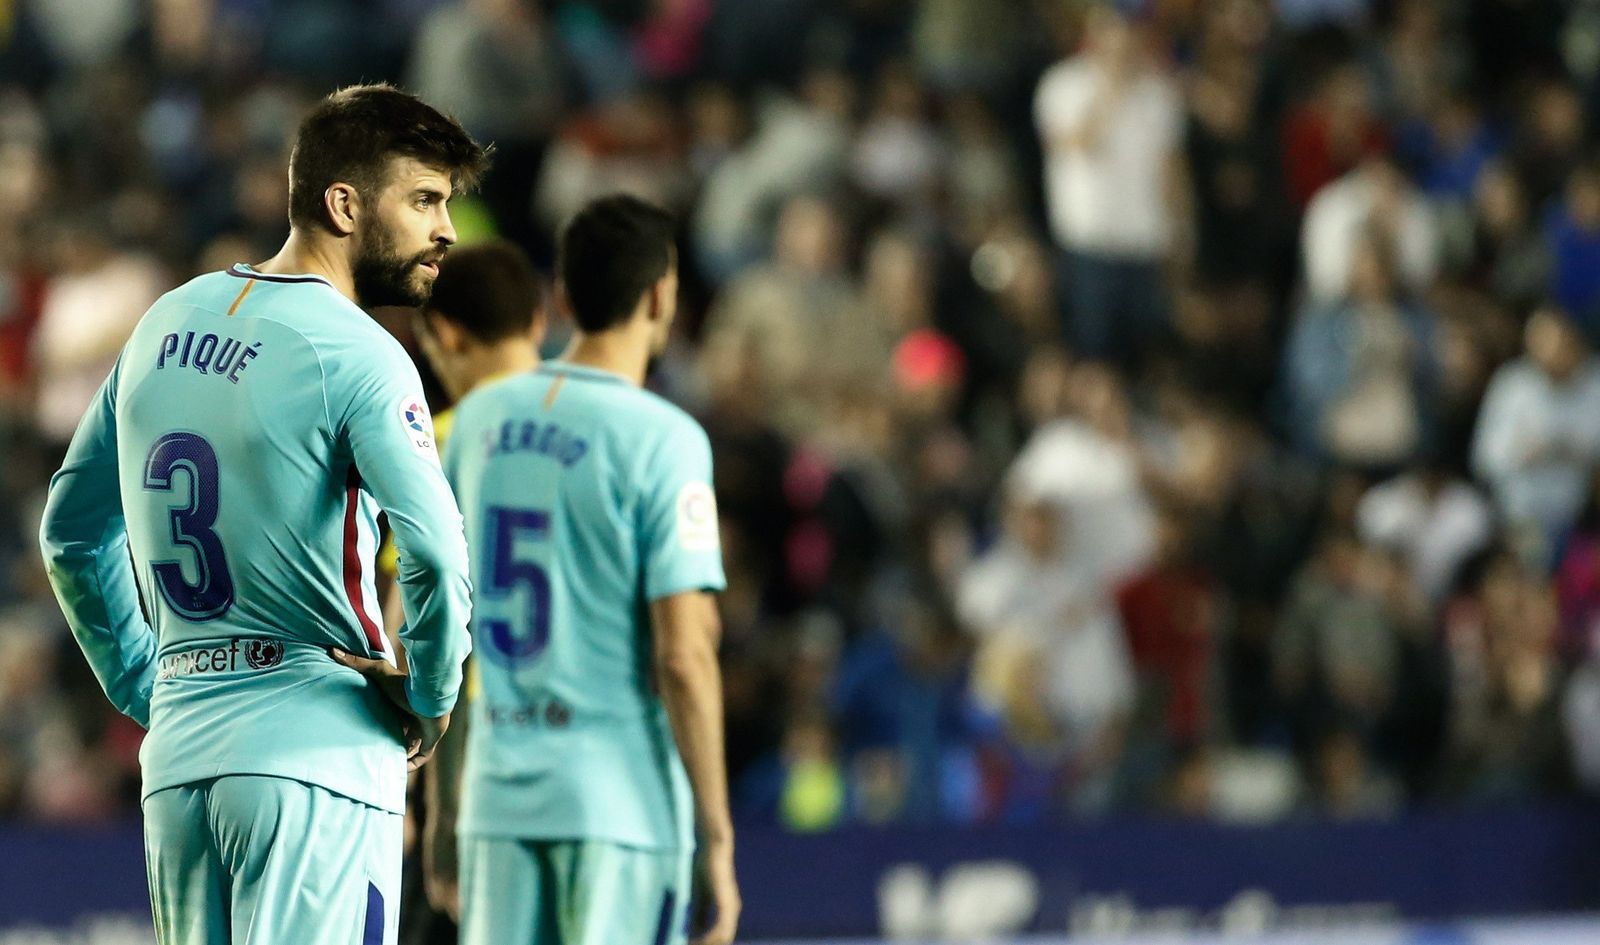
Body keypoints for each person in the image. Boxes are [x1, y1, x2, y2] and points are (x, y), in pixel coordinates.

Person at [36, 84, 486, 945]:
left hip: (179, 761)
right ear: (345, 203)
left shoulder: (164, 323)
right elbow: (434, 551)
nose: (446, 230)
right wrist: (430, 695)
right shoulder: (360, 353)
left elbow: (70, 530)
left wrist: (146, 682)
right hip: (316, 753)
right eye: (424, 199)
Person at [431, 194, 740, 945]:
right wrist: (719, 840)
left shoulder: (475, 424)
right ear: (662, 295)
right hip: (619, 804)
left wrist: (445, 807)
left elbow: (441, 625)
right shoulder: (665, 440)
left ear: (561, 297)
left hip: (497, 800)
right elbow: (683, 653)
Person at [370, 240, 547, 945]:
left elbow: (405, 629)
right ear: (537, 321)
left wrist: (414, 796)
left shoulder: (438, 444)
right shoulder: (610, 432)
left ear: (441, 336)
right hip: (592, 776)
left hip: (472, 775)